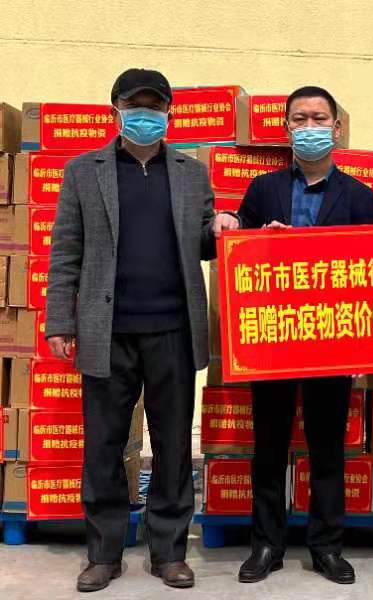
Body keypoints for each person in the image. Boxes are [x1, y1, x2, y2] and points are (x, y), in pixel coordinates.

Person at [46, 68, 226, 592]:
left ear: (169, 113)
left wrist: (221, 228)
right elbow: (66, 251)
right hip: (107, 330)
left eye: (155, 107)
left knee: (173, 443)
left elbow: (203, 242)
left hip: (173, 328)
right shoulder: (84, 171)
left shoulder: (192, 174)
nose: (145, 115)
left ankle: (169, 551)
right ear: (115, 111)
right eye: (135, 106)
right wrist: (61, 320)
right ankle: (103, 553)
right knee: (103, 444)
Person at [214, 86, 373, 585]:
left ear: (337, 128)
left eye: (319, 118)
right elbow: (239, 250)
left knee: (327, 447)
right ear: (286, 128)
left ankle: (327, 546)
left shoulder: (359, 196)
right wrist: (238, 226)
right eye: (299, 119)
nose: (309, 127)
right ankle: (266, 544)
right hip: (273, 338)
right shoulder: (262, 189)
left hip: (331, 339)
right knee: (269, 445)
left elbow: (371, 268)